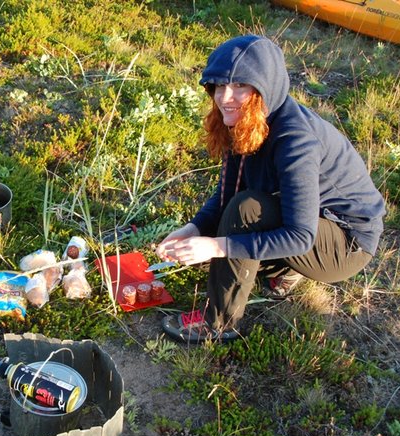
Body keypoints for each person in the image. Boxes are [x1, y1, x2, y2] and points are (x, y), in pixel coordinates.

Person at [156, 34, 386, 344]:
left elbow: (301, 236)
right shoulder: (248, 121)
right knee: (238, 209)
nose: (225, 97)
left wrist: (217, 247)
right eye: (220, 86)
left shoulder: (295, 141)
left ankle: (218, 325)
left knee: (246, 211)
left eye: (240, 86)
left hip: (347, 244)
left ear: (265, 88)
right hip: (314, 222)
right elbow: (228, 189)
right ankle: (284, 271)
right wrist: (195, 228)